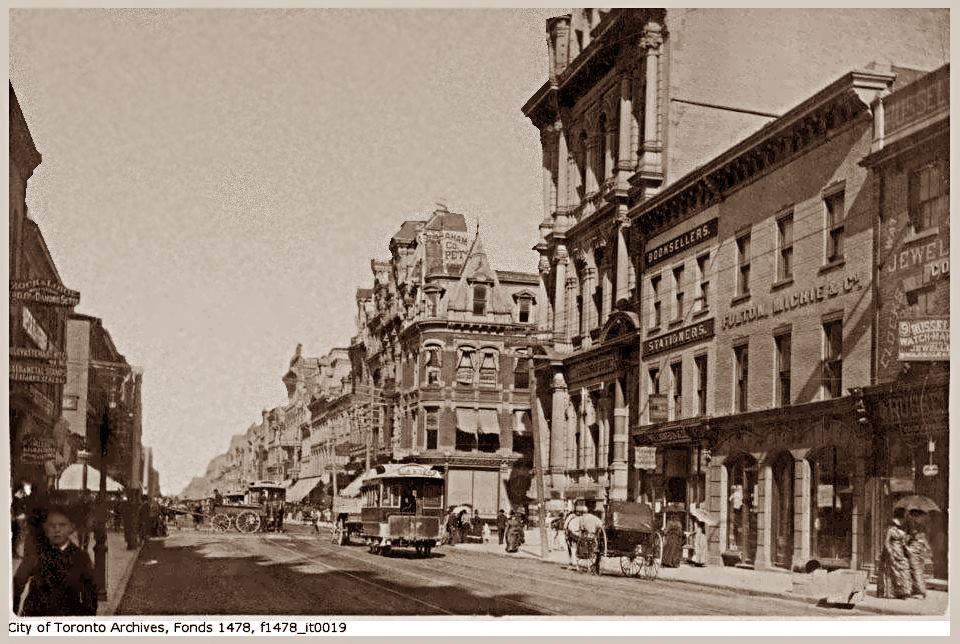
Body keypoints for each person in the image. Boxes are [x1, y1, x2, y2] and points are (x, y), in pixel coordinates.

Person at [13, 505, 98, 616]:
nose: (57, 530)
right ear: (46, 529)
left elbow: (90, 595)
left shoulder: (81, 558)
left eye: (62, 525)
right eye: (52, 526)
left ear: (71, 528)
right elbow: (19, 581)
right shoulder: (38, 555)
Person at [877, 507, 912, 599]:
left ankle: (902, 592)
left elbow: (903, 542)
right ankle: (892, 593)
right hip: (891, 552)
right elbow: (886, 542)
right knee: (893, 572)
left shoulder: (903, 529)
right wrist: (890, 552)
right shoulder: (890, 529)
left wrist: (907, 547)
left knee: (903, 570)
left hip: (900, 552)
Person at [906, 510, 930, 599]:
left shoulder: (913, 525)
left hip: (914, 549)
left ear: (915, 516)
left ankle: (922, 590)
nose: (911, 517)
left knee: (915, 570)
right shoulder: (922, 526)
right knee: (918, 570)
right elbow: (924, 538)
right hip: (920, 549)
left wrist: (909, 537)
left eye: (912, 516)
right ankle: (915, 590)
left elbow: (912, 537)